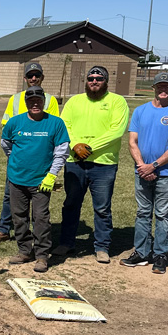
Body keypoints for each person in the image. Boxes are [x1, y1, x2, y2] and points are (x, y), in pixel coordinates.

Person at [53, 66, 129, 264]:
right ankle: (67, 242)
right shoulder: (74, 101)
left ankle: (102, 246)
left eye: (99, 78)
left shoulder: (117, 101)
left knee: (102, 208)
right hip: (75, 162)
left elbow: (116, 131)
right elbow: (64, 125)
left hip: (103, 164)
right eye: (91, 78)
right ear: (86, 81)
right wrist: (75, 145)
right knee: (71, 204)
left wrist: (88, 147)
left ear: (105, 81)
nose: (94, 81)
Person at [0, 62, 59, 245]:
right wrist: (14, 151)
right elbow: (6, 125)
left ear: (42, 77)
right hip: (18, 156)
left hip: (39, 158)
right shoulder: (15, 98)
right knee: (9, 194)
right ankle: (4, 229)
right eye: (30, 75)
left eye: (37, 75)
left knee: (39, 201)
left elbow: (52, 127)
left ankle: (38, 235)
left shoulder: (50, 100)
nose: (33, 78)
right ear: (25, 78)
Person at [121, 73, 168, 274]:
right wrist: (142, 165)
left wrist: (154, 165)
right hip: (141, 171)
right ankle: (141, 253)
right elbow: (132, 141)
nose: (163, 90)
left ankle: (160, 255)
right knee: (142, 213)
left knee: (162, 214)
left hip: (165, 173)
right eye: (160, 86)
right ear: (154, 88)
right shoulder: (140, 111)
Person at [2, 86, 70, 273]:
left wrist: (51, 175)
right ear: (26, 103)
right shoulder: (15, 122)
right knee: (19, 217)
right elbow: (5, 144)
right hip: (17, 179)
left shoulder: (55, 123)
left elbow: (62, 151)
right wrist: (15, 161)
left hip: (41, 181)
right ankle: (25, 251)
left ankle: (41, 255)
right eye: (30, 100)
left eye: (38, 100)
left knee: (41, 218)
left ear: (43, 101)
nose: (35, 103)